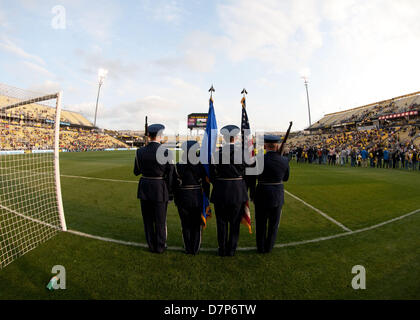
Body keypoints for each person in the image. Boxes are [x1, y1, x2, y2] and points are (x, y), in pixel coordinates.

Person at [133, 124, 174, 253]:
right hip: (160, 188)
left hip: (145, 187)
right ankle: (160, 246)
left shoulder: (139, 151)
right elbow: (171, 173)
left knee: (148, 220)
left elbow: (136, 171)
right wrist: (171, 192)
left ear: (148, 136)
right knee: (160, 220)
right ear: (160, 136)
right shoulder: (166, 152)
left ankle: (151, 245)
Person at [209, 125, 249, 257]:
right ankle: (231, 249)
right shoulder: (243, 154)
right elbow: (247, 173)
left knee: (221, 222)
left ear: (224, 138)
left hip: (220, 191)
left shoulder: (215, 154)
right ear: (236, 137)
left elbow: (212, 175)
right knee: (234, 222)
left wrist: (220, 183)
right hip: (237, 192)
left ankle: (222, 248)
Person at [252, 135, 289, 254]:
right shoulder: (284, 160)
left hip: (261, 192)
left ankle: (261, 247)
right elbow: (286, 178)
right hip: (277, 195)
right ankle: (269, 247)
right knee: (273, 224)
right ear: (277, 146)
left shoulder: (258, 159)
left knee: (261, 223)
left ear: (264, 146)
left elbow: (253, 177)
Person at [172, 140, 210, 255]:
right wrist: (206, 196)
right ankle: (195, 248)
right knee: (196, 225)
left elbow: (174, 184)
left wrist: (175, 198)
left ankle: (188, 248)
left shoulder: (178, 165)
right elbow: (206, 183)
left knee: (185, 224)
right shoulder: (200, 165)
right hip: (197, 197)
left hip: (182, 198)